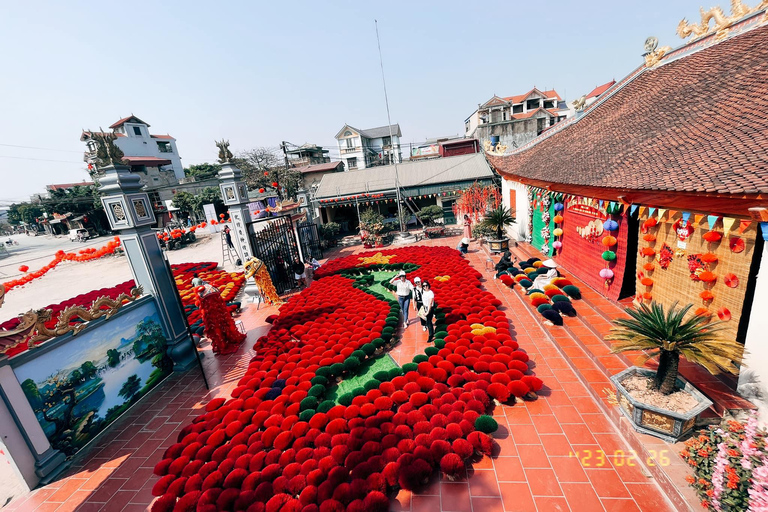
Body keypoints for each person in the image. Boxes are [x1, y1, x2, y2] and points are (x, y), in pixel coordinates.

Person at [196, 283, 246, 354]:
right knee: (223, 327)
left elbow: (199, 304)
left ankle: (223, 344)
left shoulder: (202, 294)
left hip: (212, 315)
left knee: (217, 330)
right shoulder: (212, 290)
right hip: (219, 312)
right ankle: (226, 341)